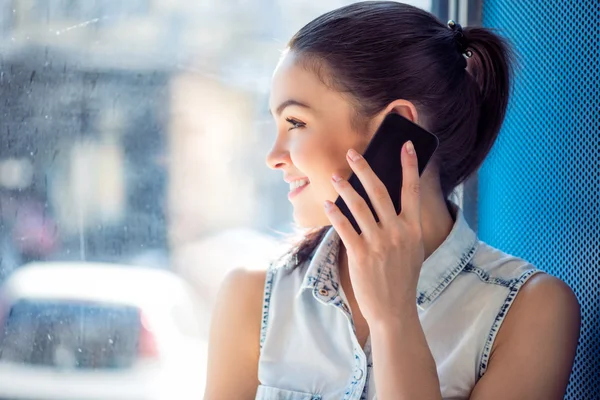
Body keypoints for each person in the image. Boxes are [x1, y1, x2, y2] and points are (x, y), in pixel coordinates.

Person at [204, 2, 580, 399]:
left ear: (399, 128)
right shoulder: (250, 297)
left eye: (295, 122)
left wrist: (394, 320)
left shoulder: (532, 310)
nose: (273, 155)